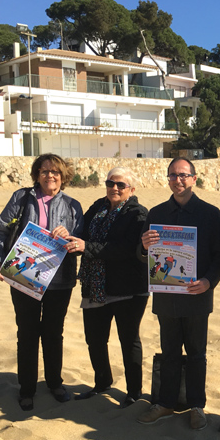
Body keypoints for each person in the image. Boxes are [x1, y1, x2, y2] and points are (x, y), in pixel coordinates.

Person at [137, 157, 220, 430]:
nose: (178, 180)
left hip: (198, 296)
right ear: (168, 179)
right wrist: (144, 247)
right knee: (170, 352)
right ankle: (165, 403)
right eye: (173, 175)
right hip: (166, 297)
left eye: (184, 175)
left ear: (194, 178)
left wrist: (209, 281)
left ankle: (197, 406)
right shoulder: (156, 214)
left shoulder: (211, 214)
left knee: (197, 353)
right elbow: (143, 257)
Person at [0, 154, 83, 412]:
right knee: (27, 333)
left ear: (63, 176)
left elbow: (80, 243)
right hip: (24, 277)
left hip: (60, 281)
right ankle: (27, 389)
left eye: (55, 172)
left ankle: (55, 384)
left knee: (54, 334)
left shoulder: (74, 206)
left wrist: (70, 237)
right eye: (44, 171)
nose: (49, 176)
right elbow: (0, 230)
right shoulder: (21, 198)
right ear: (36, 174)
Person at [73, 167, 149, 408]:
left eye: (121, 185)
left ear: (132, 190)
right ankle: (102, 382)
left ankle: (134, 391)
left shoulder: (138, 214)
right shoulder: (97, 207)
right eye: (110, 183)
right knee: (94, 339)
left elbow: (126, 249)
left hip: (128, 287)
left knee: (129, 339)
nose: (114, 188)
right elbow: (81, 233)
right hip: (95, 284)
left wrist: (88, 247)